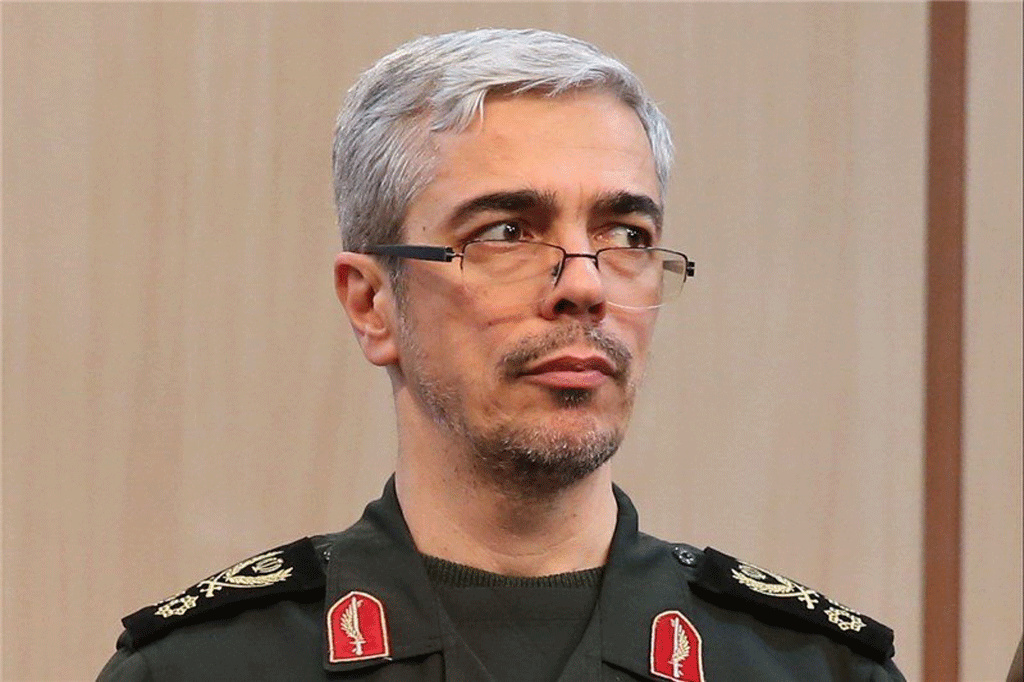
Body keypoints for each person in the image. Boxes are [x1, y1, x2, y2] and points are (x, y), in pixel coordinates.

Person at [98, 29, 905, 681]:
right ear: (372, 303)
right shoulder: (198, 669)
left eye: (627, 235)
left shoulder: (813, 668)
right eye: (507, 233)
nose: (585, 285)